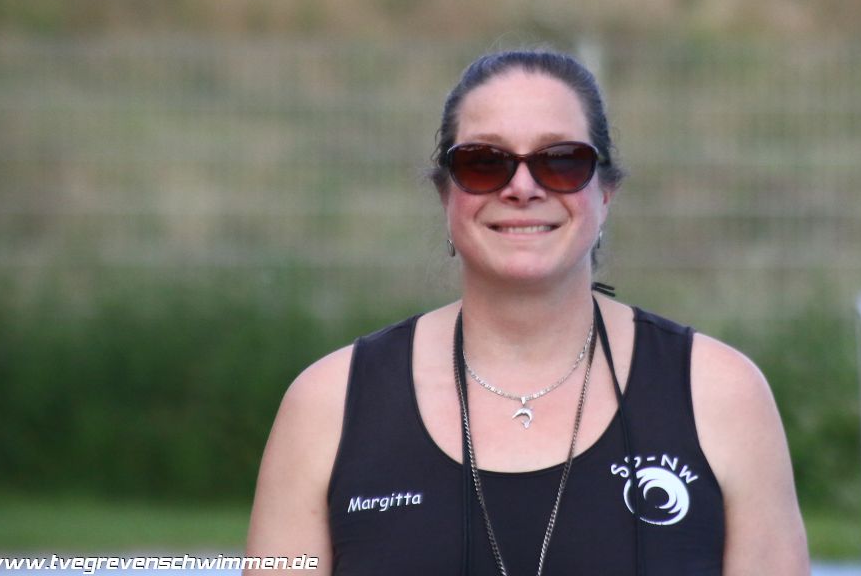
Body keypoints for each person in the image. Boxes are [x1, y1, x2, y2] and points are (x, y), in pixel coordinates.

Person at [245, 49, 809, 575]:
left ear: (605, 194)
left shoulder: (721, 397)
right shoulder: (327, 407)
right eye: (483, 162)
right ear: (446, 196)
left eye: (560, 161)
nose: (522, 187)